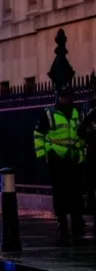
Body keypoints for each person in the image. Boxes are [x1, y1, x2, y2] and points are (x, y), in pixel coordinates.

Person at [35, 82, 86, 246]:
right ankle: (62, 224)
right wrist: (44, 155)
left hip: (73, 159)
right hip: (57, 159)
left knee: (76, 194)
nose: (66, 99)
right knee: (60, 195)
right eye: (63, 96)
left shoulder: (78, 113)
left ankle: (77, 223)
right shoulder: (49, 114)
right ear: (58, 97)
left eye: (68, 96)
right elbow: (38, 135)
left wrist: (82, 155)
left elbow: (82, 136)